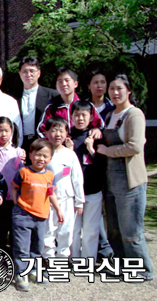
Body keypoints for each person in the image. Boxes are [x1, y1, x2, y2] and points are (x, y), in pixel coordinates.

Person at [96, 74, 153, 280]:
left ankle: (143, 270)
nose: (115, 92)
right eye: (112, 89)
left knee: (131, 230)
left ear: (129, 90)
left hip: (130, 181)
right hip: (111, 181)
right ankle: (123, 267)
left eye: (120, 88)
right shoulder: (111, 114)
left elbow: (135, 146)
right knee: (114, 230)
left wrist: (106, 151)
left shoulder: (134, 114)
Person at [11, 139, 63, 292]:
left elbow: (51, 193)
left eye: (45, 156)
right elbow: (14, 189)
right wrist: (16, 203)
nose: (41, 159)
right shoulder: (23, 172)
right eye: (37, 155)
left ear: (50, 159)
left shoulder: (50, 175)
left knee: (37, 246)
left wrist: (58, 209)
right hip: (22, 215)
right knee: (22, 247)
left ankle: (34, 270)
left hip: (41, 216)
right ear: (30, 155)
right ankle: (21, 274)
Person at [42, 116, 84, 261]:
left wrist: (79, 201)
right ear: (46, 132)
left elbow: (77, 179)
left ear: (66, 133)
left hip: (67, 199)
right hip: (46, 200)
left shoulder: (70, 154)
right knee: (48, 230)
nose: (57, 134)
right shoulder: (43, 153)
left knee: (66, 231)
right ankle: (49, 259)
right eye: (53, 130)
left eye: (61, 131)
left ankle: (62, 259)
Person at [68, 101, 106, 259]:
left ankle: (88, 261)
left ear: (91, 117)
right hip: (73, 193)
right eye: (76, 115)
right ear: (71, 117)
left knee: (91, 229)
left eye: (84, 115)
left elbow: (103, 165)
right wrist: (68, 151)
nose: (80, 118)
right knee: (73, 229)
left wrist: (91, 150)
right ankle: (73, 259)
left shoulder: (96, 136)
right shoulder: (67, 137)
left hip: (93, 190)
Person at [85, 69, 114, 261]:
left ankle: (109, 249)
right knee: (94, 211)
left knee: (108, 209)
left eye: (103, 82)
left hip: (110, 163)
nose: (100, 86)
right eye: (95, 82)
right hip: (90, 167)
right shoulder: (83, 108)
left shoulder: (113, 109)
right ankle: (103, 250)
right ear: (88, 86)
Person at [0, 116, 25, 251]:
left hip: (12, 197)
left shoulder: (17, 152)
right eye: (0, 131)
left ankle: (12, 257)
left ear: (12, 131)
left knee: (12, 228)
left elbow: (22, 174)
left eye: (6, 131)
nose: (3, 134)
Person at [37, 67, 102, 138]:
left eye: (67, 80)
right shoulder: (52, 108)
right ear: (56, 85)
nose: (64, 84)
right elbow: (42, 131)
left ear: (76, 84)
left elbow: (100, 125)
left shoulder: (86, 106)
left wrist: (97, 129)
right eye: (60, 81)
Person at [15, 56, 59, 153]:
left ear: (39, 73)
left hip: (44, 143)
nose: (28, 74)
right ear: (20, 74)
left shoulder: (52, 96)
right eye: (25, 71)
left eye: (32, 71)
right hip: (21, 145)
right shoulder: (13, 97)